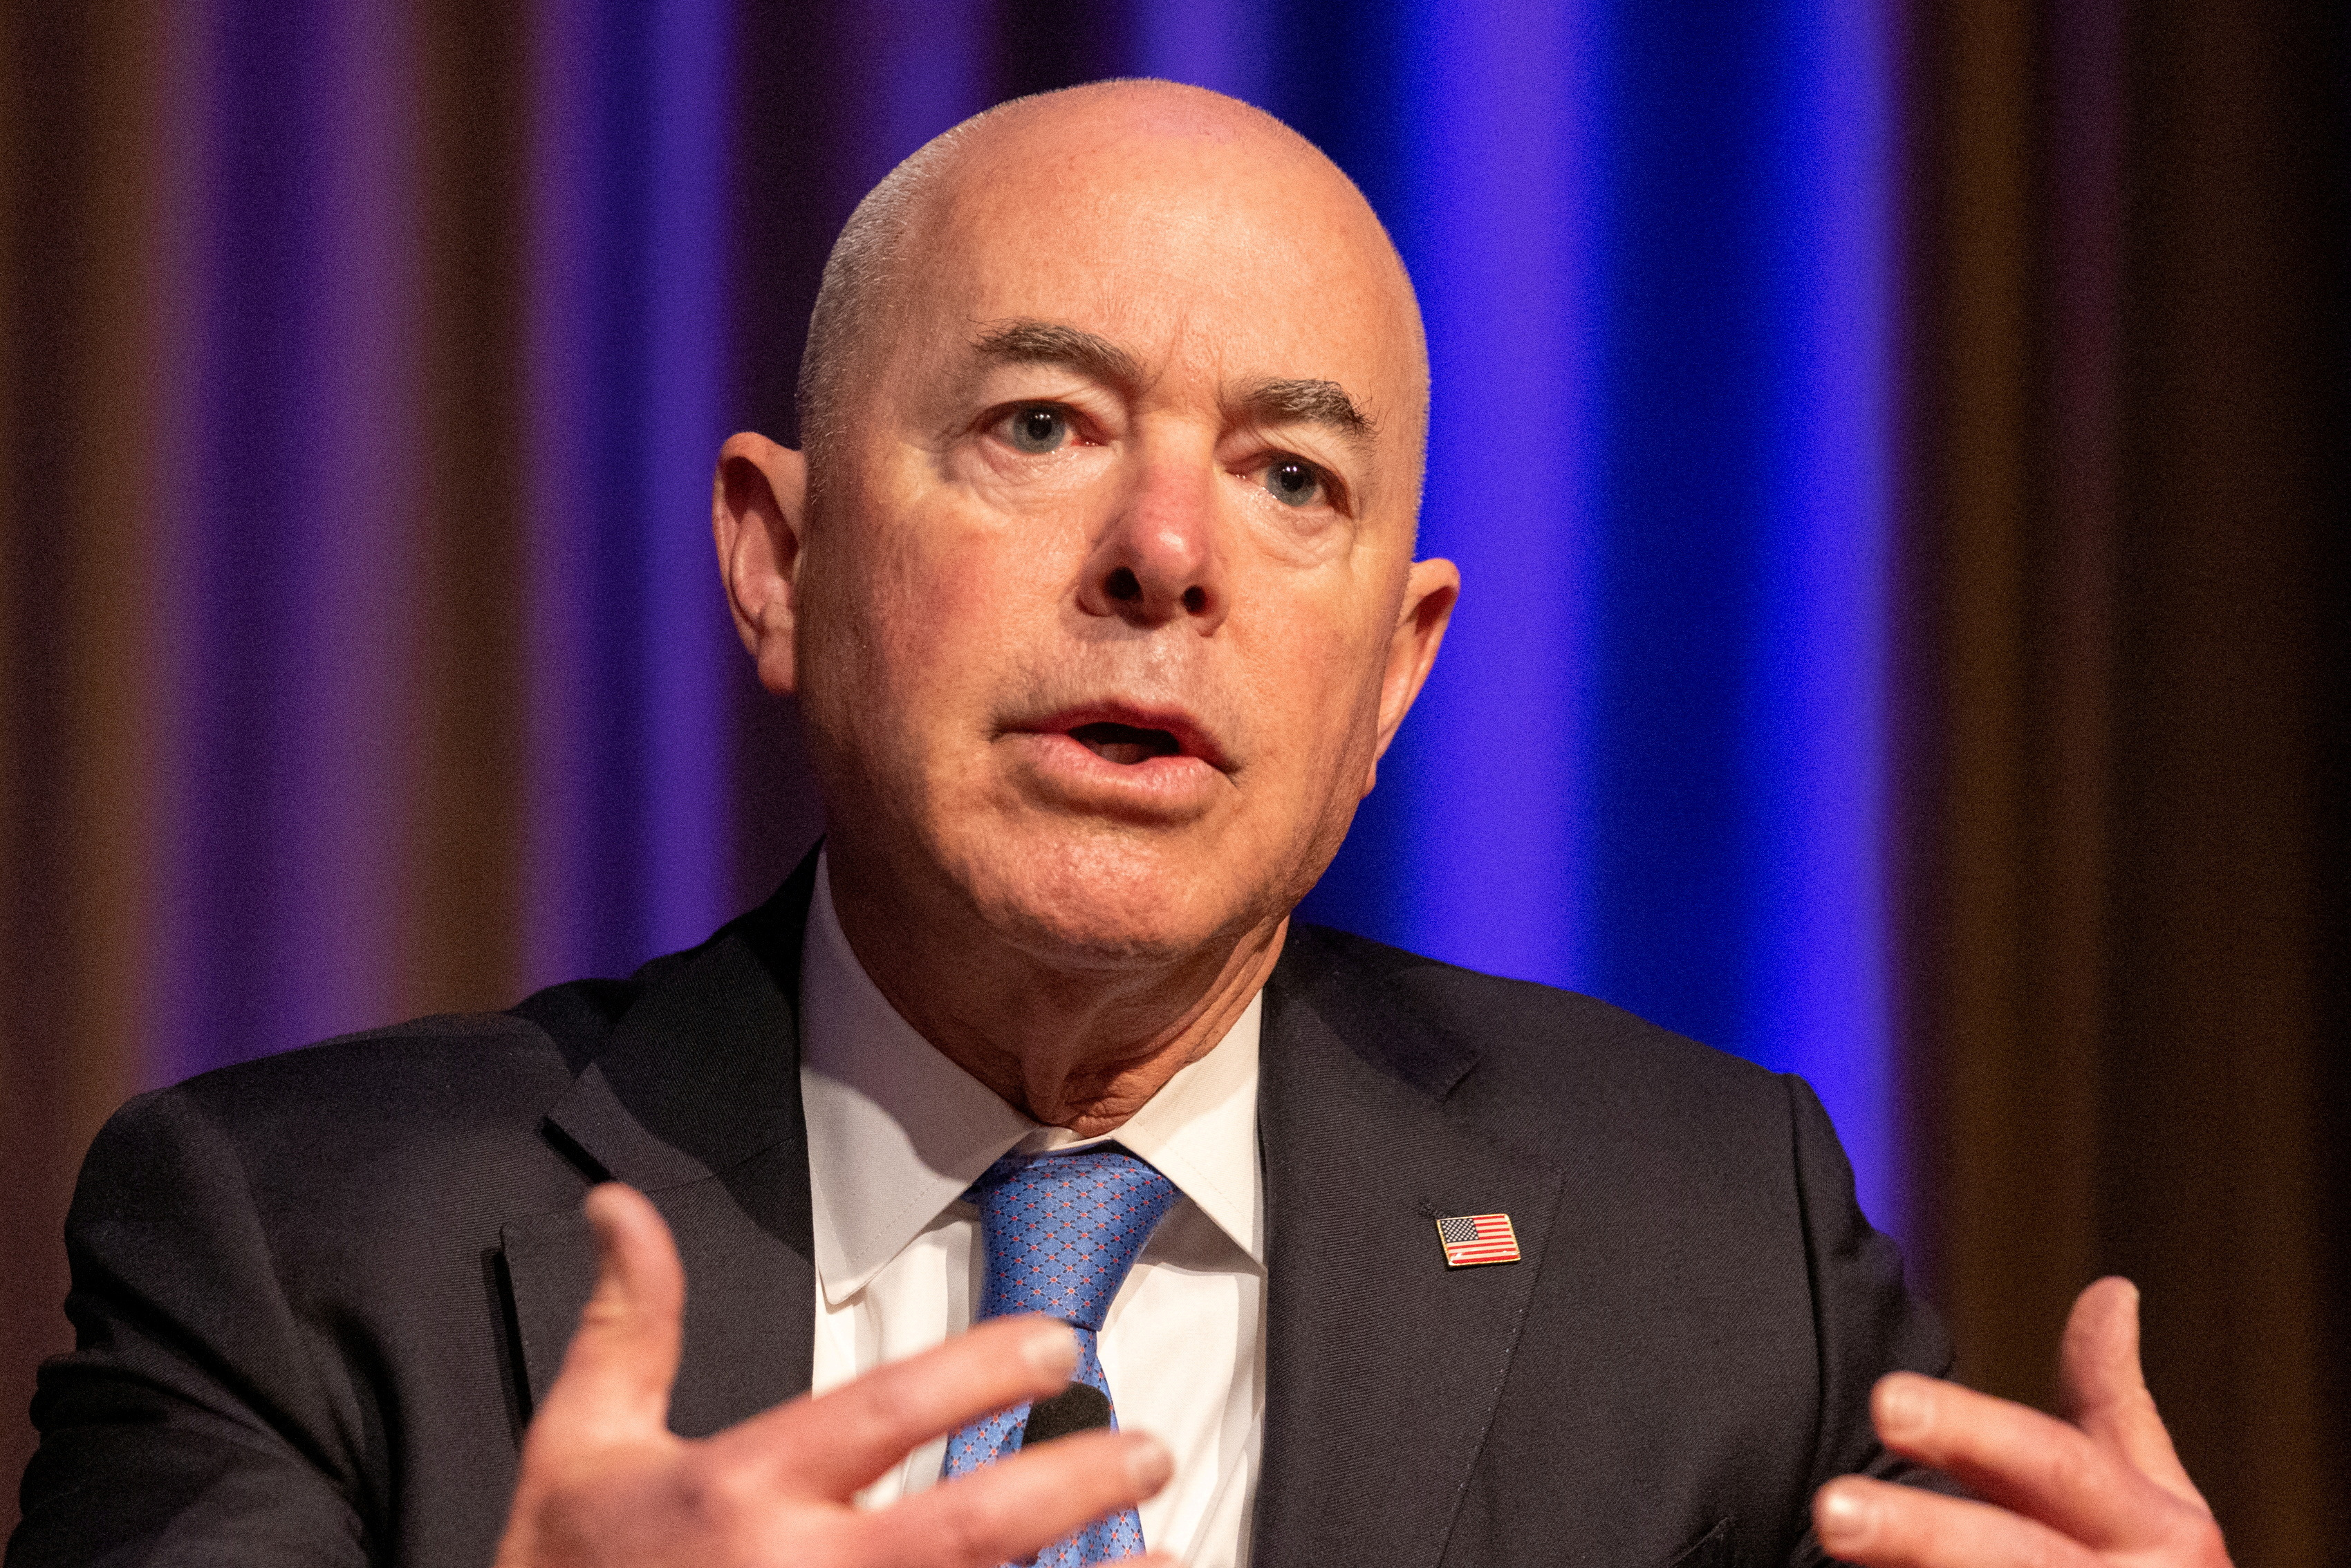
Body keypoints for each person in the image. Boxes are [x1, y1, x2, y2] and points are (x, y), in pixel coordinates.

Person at [9, 80, 2228, 1568]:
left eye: (1294, 476)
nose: (1168, 552)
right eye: (1042, 421)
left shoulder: (1716, 1258)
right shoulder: (297, 1255)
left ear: (1396, 673)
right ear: (774, 559)